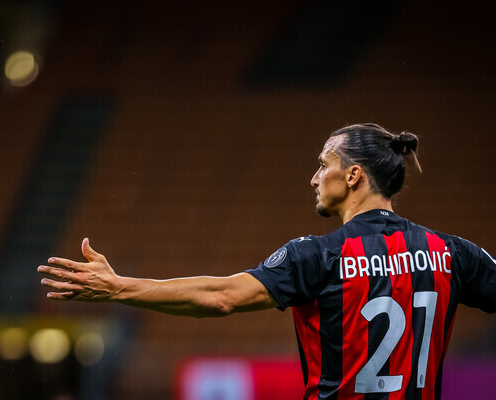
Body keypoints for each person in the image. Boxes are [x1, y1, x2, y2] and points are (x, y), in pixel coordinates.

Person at [38, 123, 496, 399]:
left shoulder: (319, 256)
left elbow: (222, 297)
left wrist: (120, 288)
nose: (314, 177)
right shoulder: (452, 253)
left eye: (324, 164)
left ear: (353, 175)